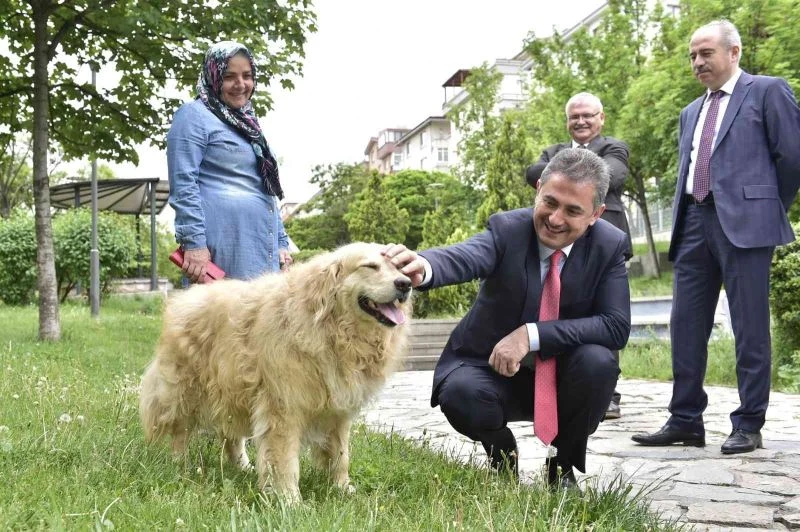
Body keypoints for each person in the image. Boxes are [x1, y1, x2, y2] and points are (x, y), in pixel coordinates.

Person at [384, 148, 631, 489]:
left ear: (596, 214)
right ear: (539, 188)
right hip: (489, 369)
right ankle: (502, 453)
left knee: (598, 362)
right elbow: (465, 256)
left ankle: (562, 468)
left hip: (564, 377)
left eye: (573, 211)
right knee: (460, 393)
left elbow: (615, 326)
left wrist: (531, 335)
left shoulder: (609, 246)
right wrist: (423, 266)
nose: (556, 219)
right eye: (550, 202)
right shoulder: (508, 230)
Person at [632, 20, 800, 454]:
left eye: (706, 53)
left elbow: (792, 159)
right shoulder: (691, 111)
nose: (697, 62)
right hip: (693, 223)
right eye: (692, 55)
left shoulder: (767, 91)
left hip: (746, 225)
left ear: (735, 52)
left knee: (749, 327)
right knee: (685, 323)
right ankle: (685, 418)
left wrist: (765, 208)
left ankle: (749, 422)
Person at [526, 92, 632, 420]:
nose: (581, 121)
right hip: (561, 243)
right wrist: (577, 175)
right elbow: (533, 171)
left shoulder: (614, 147)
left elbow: (613, 175)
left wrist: (565, 174)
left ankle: (607, 393)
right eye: (575, 117)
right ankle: (560, 381)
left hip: (603, 244)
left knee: (604, 317)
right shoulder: (554, 151)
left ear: (601, 118)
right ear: (567, 121)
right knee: (559, 310)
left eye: (588, 115)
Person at [167, 41, 292, 283]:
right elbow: (184, 184)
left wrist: (281, 242)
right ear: (213, 76)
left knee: (259, 320)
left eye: (247, 76)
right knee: (222, 320)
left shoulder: (249, 124)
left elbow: (265, 190)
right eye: (229, 76)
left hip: (259, 249)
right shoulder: (193, 115)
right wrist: (193, 243)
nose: (241, 84)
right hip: (222, 249)